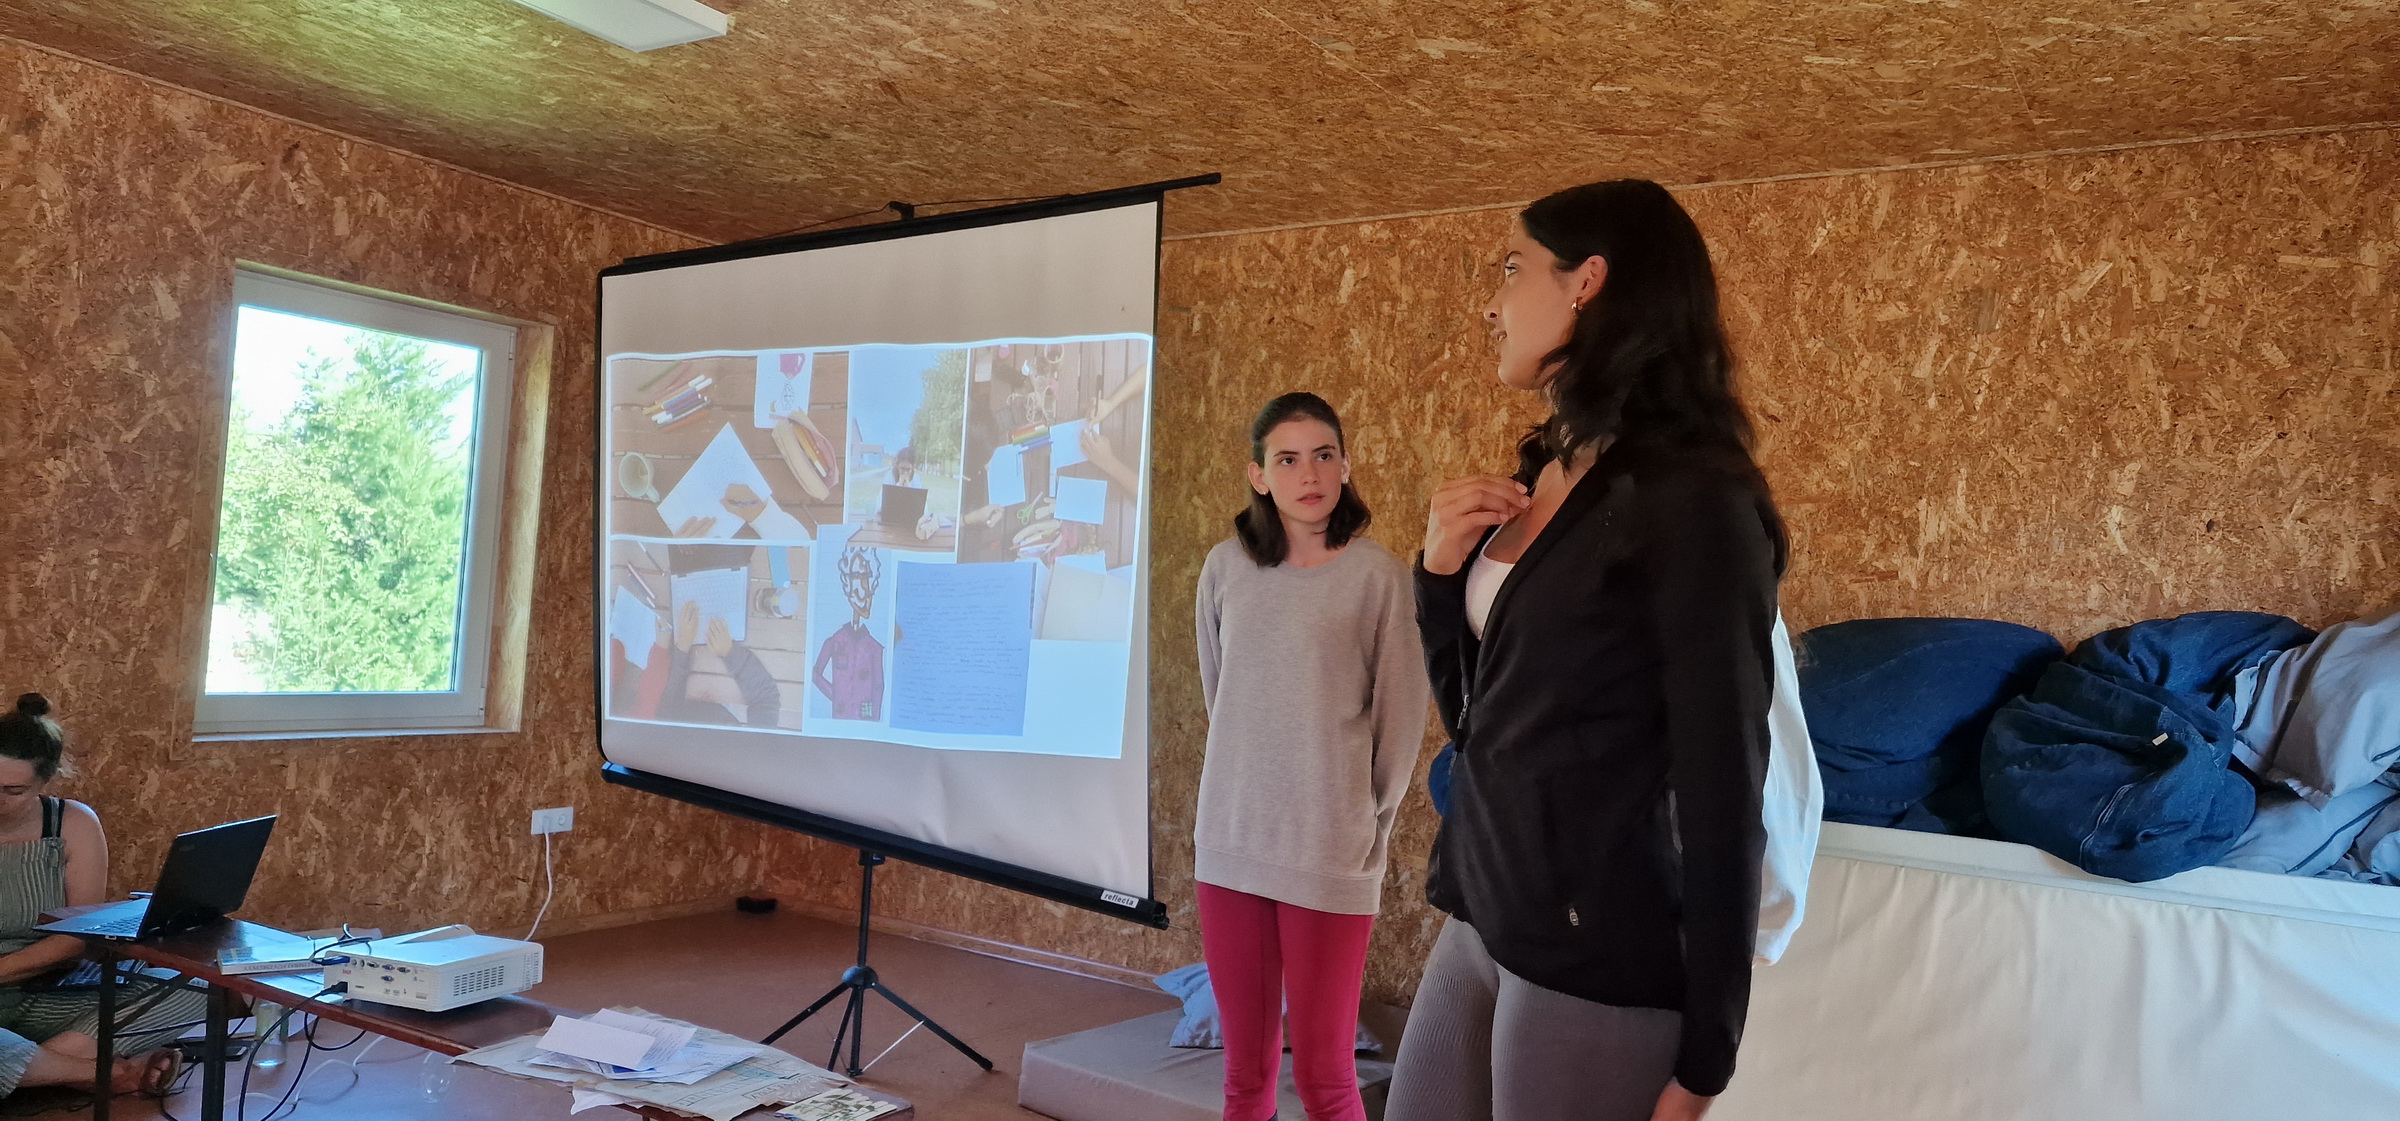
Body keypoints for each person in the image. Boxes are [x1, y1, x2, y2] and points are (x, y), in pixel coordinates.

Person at [1386, 180, 1787, 1121]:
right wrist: (1439, 577)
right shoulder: (1546, 472)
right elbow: (1480, 721)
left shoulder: (1695, 501)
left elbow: (1726, 779)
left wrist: (1708, 1056)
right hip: (1486, 905)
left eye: (1513, 268)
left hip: (1598, 946)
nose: (1491, 304)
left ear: (1587, 281)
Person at [1193, 393, 1430, 1121]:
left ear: (1346, 466)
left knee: (1327, 1077)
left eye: (1324, 455)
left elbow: (1400, 720)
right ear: (1259, 476)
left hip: (1330, 847)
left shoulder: (1380, 577)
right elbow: (1221, 695)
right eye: (1288, 459)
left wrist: (1364, 823)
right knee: (1244, 1077)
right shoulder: (1224, 569)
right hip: (1232, 843)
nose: (1309, 474)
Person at [0, 694, 205, 1100]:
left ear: (45, 781)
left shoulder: (73, 823)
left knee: (196, 990)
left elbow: (75, 938)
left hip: (49, 990)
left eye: (13, 790)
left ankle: (34, 1069)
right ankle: (109, 1073)